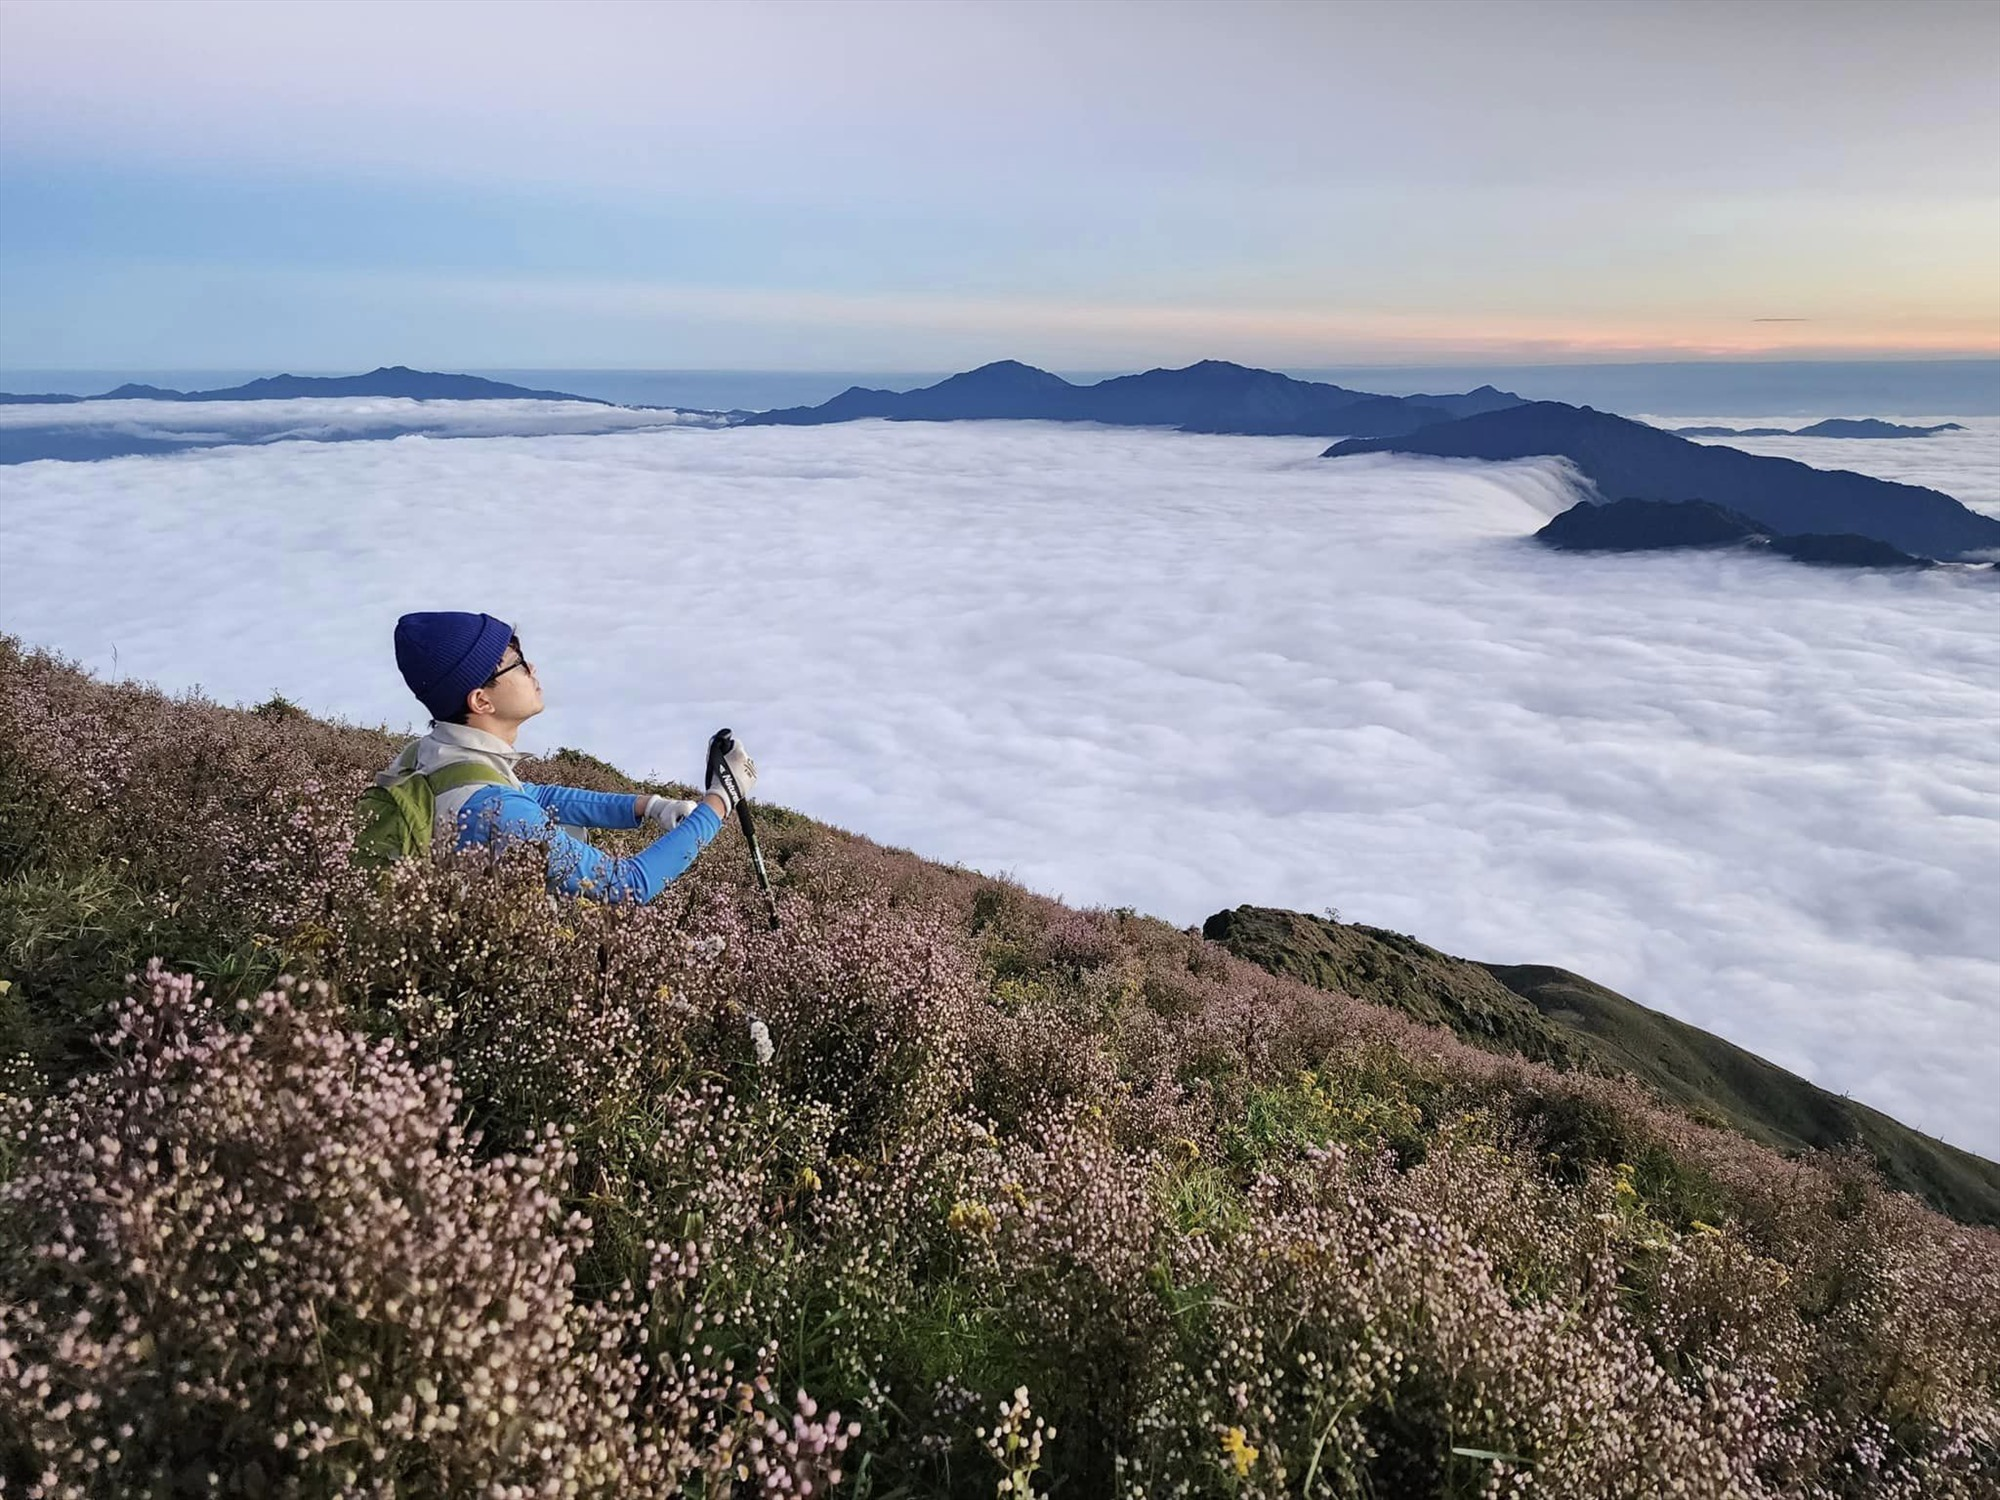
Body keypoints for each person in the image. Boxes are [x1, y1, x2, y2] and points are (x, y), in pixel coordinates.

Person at [383, 610, 755, 903]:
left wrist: (650, 806)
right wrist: (721, 798)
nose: (532, 669)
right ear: (482, 701)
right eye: (517, 663)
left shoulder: (431, 755)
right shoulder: (493, 807)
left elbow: (534, 795)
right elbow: (626, 884)